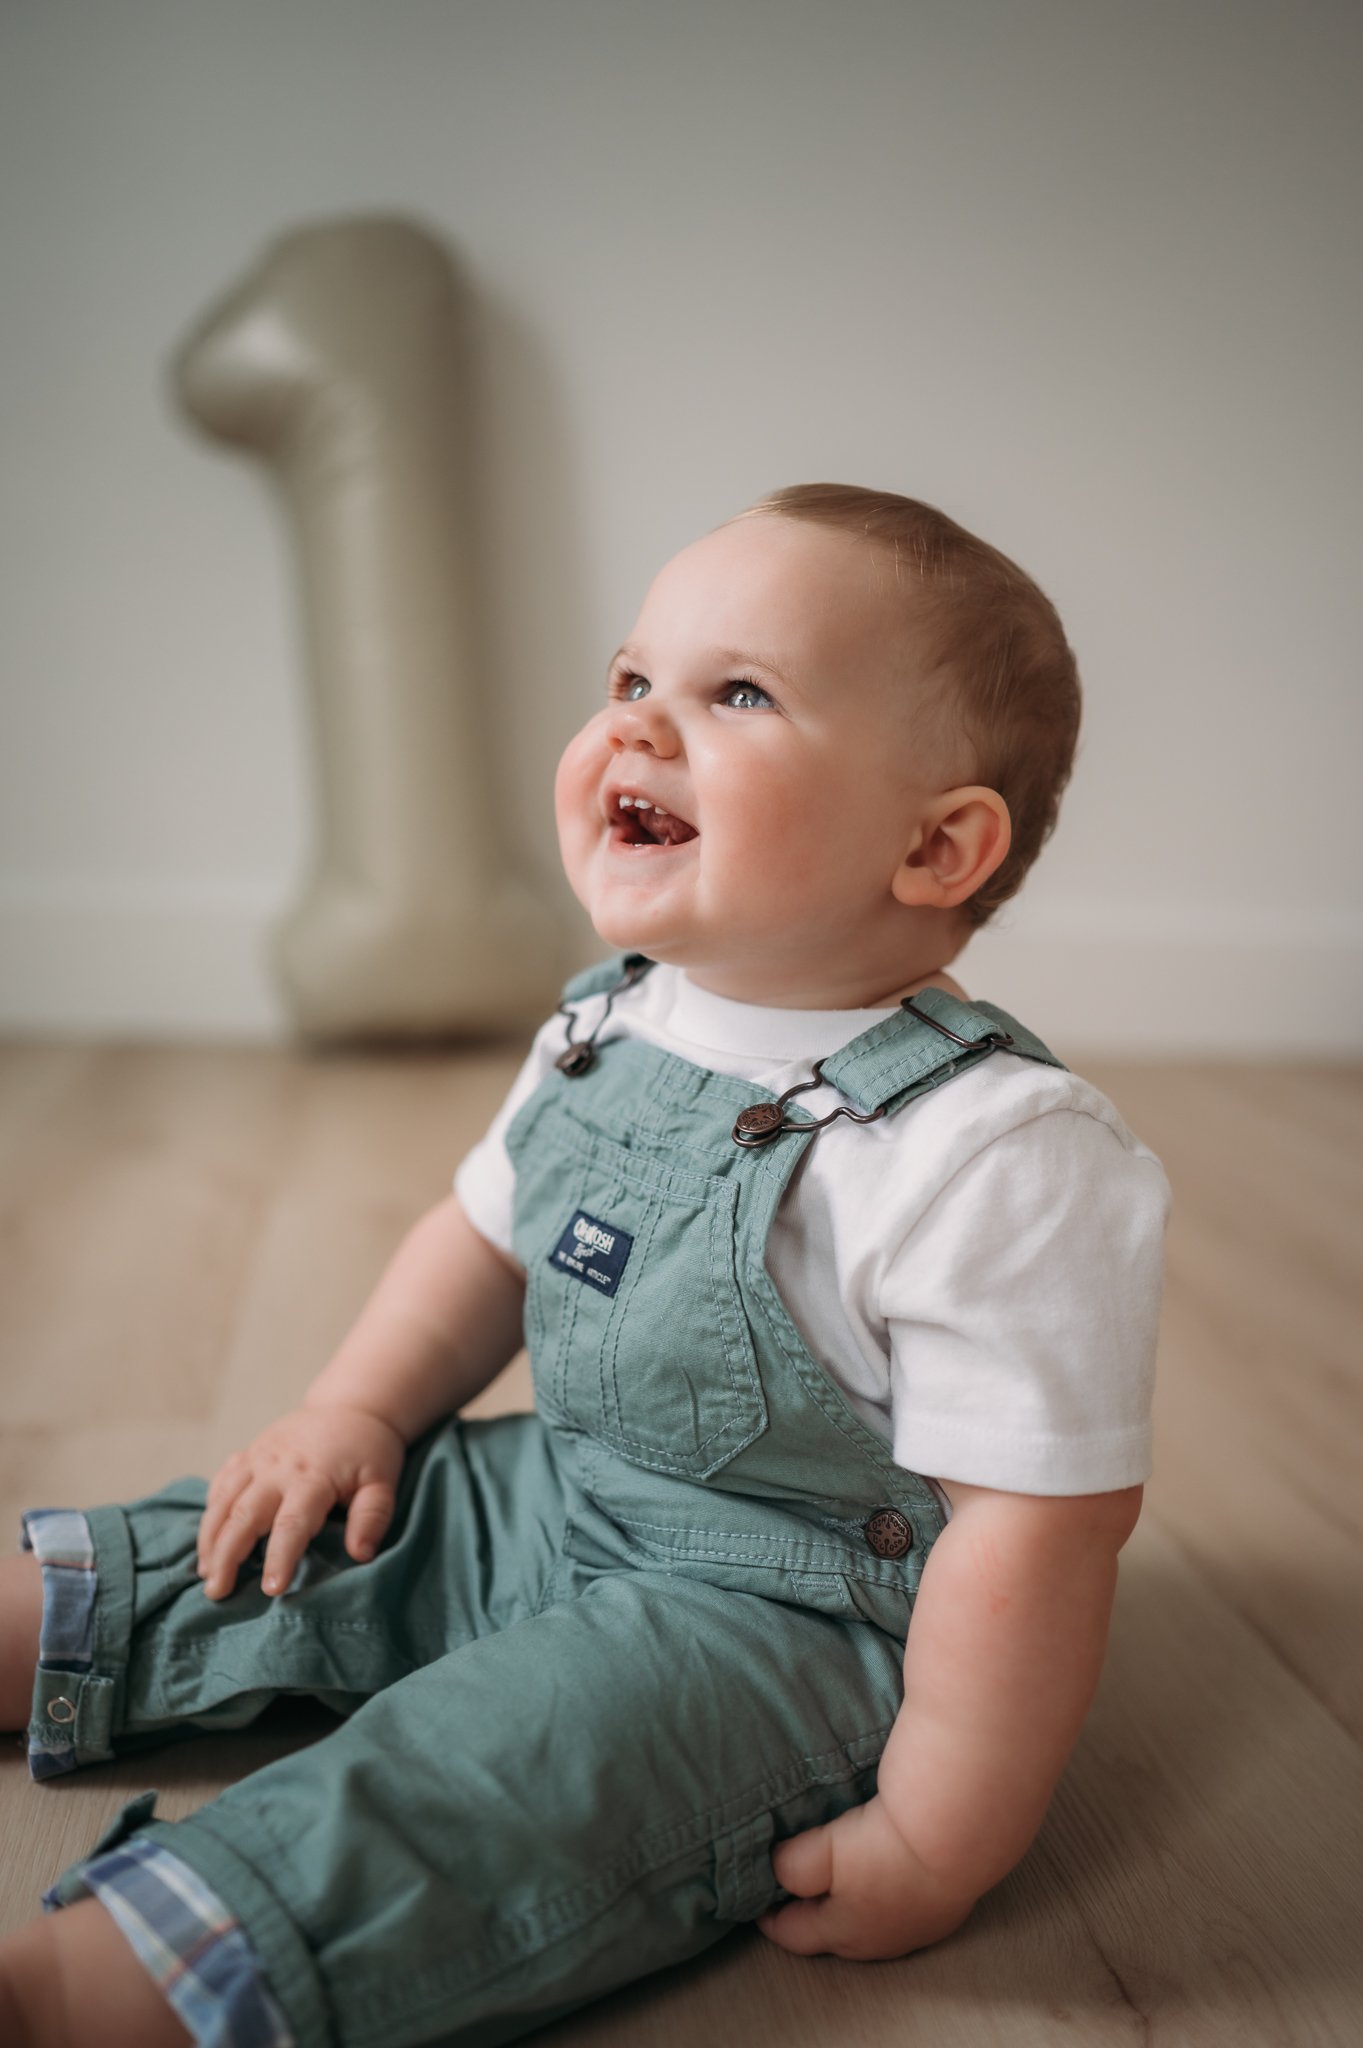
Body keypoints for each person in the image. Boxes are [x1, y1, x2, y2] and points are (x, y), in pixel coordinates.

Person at [0, 484, 1170, 2048]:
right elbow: (481, 1238)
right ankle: (46, 1615)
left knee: (493, 1779)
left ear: (935, 843)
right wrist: (356, 1410)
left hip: (781, 1621)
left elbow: (1038, 1532)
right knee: (277, 1542)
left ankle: (88, 1989)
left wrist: (944, 1832)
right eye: (631, 678)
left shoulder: (994, 1150)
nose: (637, 725)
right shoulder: (608, 1021)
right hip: (563, 1488)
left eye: (737, 693)